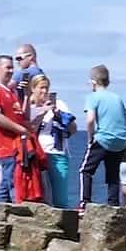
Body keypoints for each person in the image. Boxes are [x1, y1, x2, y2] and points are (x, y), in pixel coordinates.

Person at [78, 65, 126, 208]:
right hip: (120, 140)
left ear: (93, 82)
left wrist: (90, 138)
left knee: (85, 170)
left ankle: (84, 203)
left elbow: (90, 120)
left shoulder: (93, 97)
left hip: (103, 138)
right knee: (113, 174)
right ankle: (113, 204)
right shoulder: (117, 98)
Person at [0, 55, 30, 204]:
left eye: (11, 67)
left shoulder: (10, 92)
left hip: (18, 146)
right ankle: (7, 214)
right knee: (11, 182)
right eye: (7, 67)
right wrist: (21, 130)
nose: (10, 71)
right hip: (7, 145)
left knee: (7, 181)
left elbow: (21, 116)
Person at [26, 74, 77, 208]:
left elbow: (73, 129)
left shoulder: (59, 104)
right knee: (39, 197)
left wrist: (58, 114)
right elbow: (29, 130)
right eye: (41, 88)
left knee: (60, 199)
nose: (44, 91)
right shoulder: (29, 107)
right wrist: (42, 112)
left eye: (46, 88)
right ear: (33, 88)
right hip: (36, 155)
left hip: (57, 153)